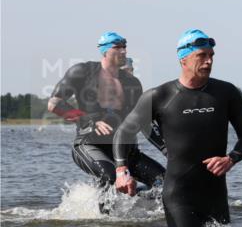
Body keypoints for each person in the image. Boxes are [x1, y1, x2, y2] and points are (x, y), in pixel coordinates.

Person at [113, 29, 242, 227]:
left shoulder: (227, 93)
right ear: (183, 59)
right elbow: (124, 132)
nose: (209, 61)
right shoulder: (159, 95)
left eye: (211, 56)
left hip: (216, 194)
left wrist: (231, 159)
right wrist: (122, 170)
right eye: (202, 56)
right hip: (179, 195)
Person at [47, 32, 165, 209]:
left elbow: (144, 122)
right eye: (117, 47)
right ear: (104, 51)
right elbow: (54, 104)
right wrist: (88, 120)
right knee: (110, 178)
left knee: (165, 183)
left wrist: (166, 149)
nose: (123, 51)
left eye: (125, 47)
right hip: (90, 145)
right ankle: (103, 226)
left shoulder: (132, 82)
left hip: (126, 151)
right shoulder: (82, 71)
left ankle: (136, 202)